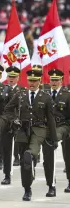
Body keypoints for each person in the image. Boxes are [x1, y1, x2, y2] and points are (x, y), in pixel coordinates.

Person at [4, 69, 57, 201]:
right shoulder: (20, 94)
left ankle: (51, 185)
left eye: (34, 81)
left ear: (39, 81)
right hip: (23, 130)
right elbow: (8, 109)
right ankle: (27, 189)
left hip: (40, 129)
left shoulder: (46, 97)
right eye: (30, 80)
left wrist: (54, 138)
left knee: (35, 155)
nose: (32, 83)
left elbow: (50, 119)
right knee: (24, 161)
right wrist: (13, 120)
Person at [41, 68, 70, 196]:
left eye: (56, 80)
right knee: (48, 158)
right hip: (48, 128)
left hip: (64, 127)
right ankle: (51, 185)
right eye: (52, 80)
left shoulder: (67, 95)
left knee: (68, 156)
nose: (53, 82)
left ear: (61, 81)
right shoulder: (43, 94)